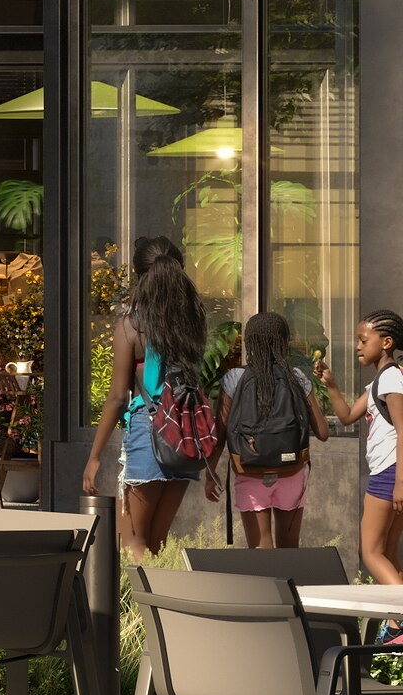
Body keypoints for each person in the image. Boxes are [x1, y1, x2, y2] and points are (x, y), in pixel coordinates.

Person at [83, 238, 213, 557]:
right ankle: (155, 604)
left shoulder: (133, 326)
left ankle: (136, 609)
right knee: (156, 541)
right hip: (185, 434)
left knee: (132, 542)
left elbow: (117, 397)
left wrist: (95, 456)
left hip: (149, 430)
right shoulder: (193, 323)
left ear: (141, 278)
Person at [224, 309, 324, 548]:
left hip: (249, 469)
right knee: (290, 549)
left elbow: (222, 430)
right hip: (292, 471)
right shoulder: (297, 377)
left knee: (262, 553)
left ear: (249, 342)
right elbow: (323, 431)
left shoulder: (234, 378)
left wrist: (209, 474)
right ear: (284, 342)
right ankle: (293, 586)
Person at [356, 310, 403, 587]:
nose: (358, 346)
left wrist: (399, 482)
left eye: (363, 340)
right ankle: (396, 626)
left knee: (371, 552)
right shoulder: (383, 380)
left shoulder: (391, 379)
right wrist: (333, 385)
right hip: (392, 473)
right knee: (387, 552)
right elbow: (348, 414)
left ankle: (400, 618)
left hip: (389, 472)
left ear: (386, 342)